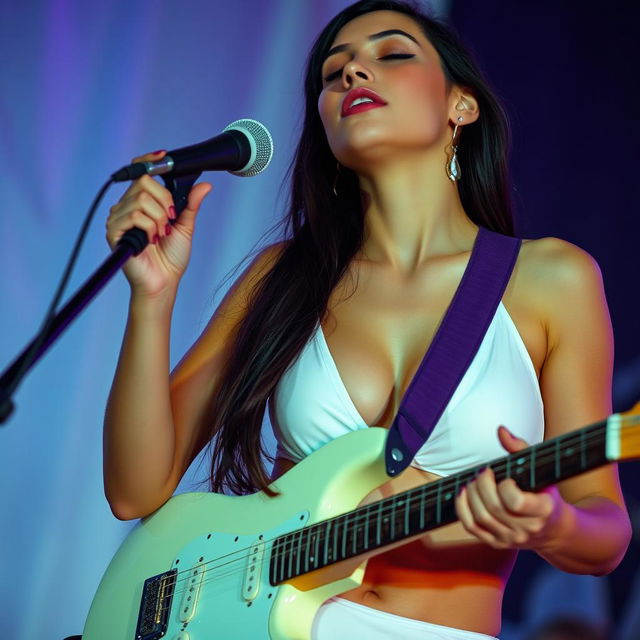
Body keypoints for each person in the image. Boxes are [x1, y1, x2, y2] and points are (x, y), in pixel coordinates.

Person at [103, 1, 631, 638]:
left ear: (461, 106)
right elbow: (135, 491)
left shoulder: (553, 278)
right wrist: (151, 299)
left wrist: (554, 526)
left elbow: (604, 532)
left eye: (392, 54)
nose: (352, 72)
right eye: (332, 73)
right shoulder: (283, 276)